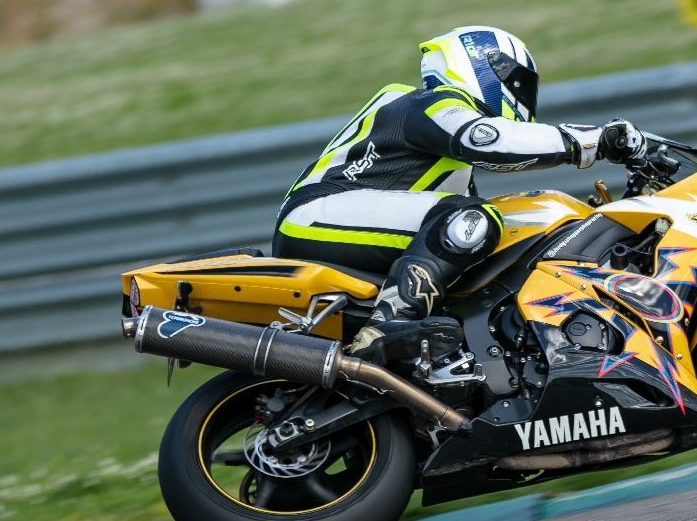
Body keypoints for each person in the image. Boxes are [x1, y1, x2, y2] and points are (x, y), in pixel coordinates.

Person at [273, 26, 648, 364]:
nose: (524, 98)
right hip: (316, 215)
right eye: (518, 84)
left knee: (475, 230)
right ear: (483, 66)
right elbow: (489, 140)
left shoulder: (450, 164)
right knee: (474, 218)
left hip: (345, 224)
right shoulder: (427, 103)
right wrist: (590, 141)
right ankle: (388, 323)